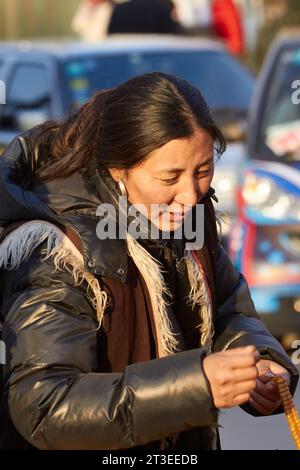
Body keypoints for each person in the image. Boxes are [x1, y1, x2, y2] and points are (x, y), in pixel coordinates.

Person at [0, 72, 298, 450]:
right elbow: (44, 405)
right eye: (169, 176)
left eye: (203, 171)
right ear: (117, 167)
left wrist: (265, 363)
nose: (190, 195)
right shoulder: (56, 247)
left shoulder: (186, 218)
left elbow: (227, 309)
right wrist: (193, 386)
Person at [108, 0, 182, 35]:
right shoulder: (164, 8)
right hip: (157, 57)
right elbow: (174, 35)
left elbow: (112, 37)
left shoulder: (120, 9)